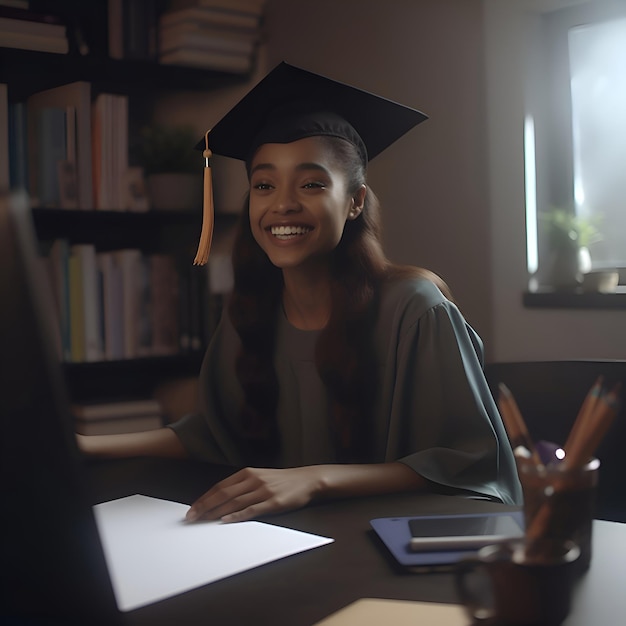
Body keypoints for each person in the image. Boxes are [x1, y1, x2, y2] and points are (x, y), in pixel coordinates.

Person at [79, 62, 522, 522]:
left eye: (311, 183)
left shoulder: (416, 310)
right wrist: (85, 446)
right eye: (264, 185)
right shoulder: (249, 313)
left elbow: (467, 466)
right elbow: (212, 433)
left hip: (393, 546)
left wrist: (314, 478)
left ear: (355, 201)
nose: (282, 204)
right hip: (288, 541)